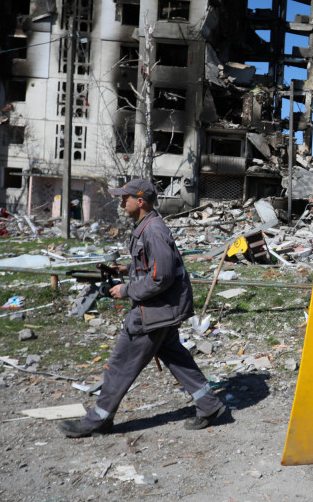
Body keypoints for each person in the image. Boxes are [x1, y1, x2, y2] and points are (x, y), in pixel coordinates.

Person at [60, 178, 227, 438]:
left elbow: (162, 277)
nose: (121, 201)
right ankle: (210, 405)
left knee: (120, 363)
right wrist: (128, 269)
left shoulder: (153, 230)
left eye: (124, 198)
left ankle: (98, 420)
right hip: (162, 309)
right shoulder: (146, 226)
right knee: (176, 357)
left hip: (154, 312)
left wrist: (125, 289)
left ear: (140, 202)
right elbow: (154, 265)